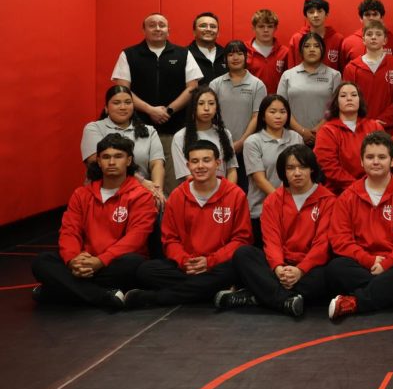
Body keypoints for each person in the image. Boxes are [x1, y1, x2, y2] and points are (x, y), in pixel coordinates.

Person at [32, 134, 156, 309]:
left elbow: (136, 238)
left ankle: (56, 291)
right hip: (84, 261)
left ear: (128, 161)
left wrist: (100, 261)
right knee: (42, 262)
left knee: (134, 264)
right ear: (98, 161)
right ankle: (103, 296)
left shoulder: (141, 195)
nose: (111, 162)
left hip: (115, 263)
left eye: (118, 156)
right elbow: (69, 231)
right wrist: (73, 260)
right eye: (106, 157)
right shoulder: (81, 194)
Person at [126, 140, 251, 307]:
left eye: (206, 160)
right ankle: (211, 290)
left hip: (218, 265)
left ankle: (157, 299)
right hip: (186, 266)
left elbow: (242, 239)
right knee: (146, 271)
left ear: (217, 163)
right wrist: (185, 262)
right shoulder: (177, 196)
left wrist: (210, 262)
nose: (200, 166)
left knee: (237, 269)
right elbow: (170, 240)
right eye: (194, 161)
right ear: (188, 165)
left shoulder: (235, 194)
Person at [223, 144, 336, 317]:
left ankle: (259, 296)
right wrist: (278, 268)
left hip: (309, 267)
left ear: (312, 169)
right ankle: (286, 300)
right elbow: (271, 240)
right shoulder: (273, 200)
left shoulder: (328, 200)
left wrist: (300, 270)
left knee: (333, 272)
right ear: (283, 172)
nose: (297, 173)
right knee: (243, 254)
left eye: (302, 167)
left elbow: (322, 245)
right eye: (290, 168)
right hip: (280, 266)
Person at [326, 132, 393, 320]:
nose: (375, 162)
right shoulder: (348, 196)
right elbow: (340, 240)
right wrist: (370, 261)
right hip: (362, 265)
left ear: (392, 161)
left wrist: (387, 263)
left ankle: (354, 303)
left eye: (382, 157)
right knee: (335, 268)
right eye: (370, 157)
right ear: (361, 161)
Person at [112, 12, 202, 178]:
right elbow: (123, 90)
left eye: (162, 25)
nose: (157, 28)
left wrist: (168, 111)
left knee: (172, 180)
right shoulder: (129, 54)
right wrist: (150, 110)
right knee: (138, 178)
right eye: (152, 25)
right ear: (144, 30)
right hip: (138, 129)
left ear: (168, 31)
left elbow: (192, 88)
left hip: (174, 129)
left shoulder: (183, 54)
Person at [80, 85, 166, 205]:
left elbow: (157, 164)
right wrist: (141, 182)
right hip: (103, 194)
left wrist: (157, 191)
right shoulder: (94, 128)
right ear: (106, 108)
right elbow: (97, 161)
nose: (123, 107)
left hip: (141, 194)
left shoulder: (149, 131)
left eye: (127, 102)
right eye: (116, 103)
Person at [242, 95, 304, 241]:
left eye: (283, 111)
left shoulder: (296, 138)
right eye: (272, 111)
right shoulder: (253, 142)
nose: (278, 116)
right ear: (263, 116)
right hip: (261, 210)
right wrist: (284, 202)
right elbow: (259, 180)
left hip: (295, 210)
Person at [313, 82, 384, 194]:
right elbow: (329, 168)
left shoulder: (375, 126)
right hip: (338, 193)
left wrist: (370, 186)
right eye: (343, 95)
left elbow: (384, 160)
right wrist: (359, 187)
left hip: (374, 189)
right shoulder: (326, 131)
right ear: (336, 102)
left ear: (360, 100)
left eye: (354, 95)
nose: (349, 98)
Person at [340, 18, 393, 132]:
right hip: (359, 128)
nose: (373, 37)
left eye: (378, 34)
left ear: (385, 40)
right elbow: (348, 100)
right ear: (363, 40)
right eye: (369, 34)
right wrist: (365, 123)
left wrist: (382, 121)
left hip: (388, 129)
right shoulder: (352, 68)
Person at [277, 32, 342, 145]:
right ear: (301, 50)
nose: (312, 49)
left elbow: (335, 108)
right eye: (307, 46)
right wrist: (301, 131)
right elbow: (281, 108)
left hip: (325, 136)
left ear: (323, 50)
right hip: (293, 138)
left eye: (316, 46)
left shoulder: (334, 75)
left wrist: (318, 129)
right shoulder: (288, 75)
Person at [170, 85, 238, 188]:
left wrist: (226, 193)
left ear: (216, 107)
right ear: (193, 107)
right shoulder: (180, 137)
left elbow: (231, 170)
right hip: (195, 193)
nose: (206, 108)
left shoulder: (224, 133)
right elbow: (187, 176)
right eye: (201, 104)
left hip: (223, 193)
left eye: (211, 103)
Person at [208, 40, 267, 156]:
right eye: (230, 55)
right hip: (219, 145)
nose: (235, 58)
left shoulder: (257, 85)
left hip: (249, 146)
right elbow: (211, 115)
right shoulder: (215, 84)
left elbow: (257, 117)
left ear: (246, 57)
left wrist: (242, 142)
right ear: (225, 59)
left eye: (239, 54)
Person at [287, 0, 343, 71]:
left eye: (319, 11)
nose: (316, 15)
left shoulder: (338, 39)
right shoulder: (296, 39)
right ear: (306, 16)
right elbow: (291, 70)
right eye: (311, 12)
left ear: (326, 14)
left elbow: (342, 70)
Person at [244, 8, 290, 95]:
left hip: (276, 103)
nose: (265, 30)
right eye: (261, 26)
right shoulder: (243, 50)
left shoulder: (284, 52)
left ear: (275, 28)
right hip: (250, 102)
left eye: (270, 26)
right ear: (253, 28)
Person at [341, 0, 393, 65]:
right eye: (367, 14)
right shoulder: (348, 43)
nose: (371, 18)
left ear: (381, 18)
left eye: (375, 14)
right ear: (361, 18)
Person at [187, 11, 226, 85]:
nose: (208, 29)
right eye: (203, 26)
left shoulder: (226, 54)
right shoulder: (184, 55)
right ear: (194, 32)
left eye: (213, 26)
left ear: (218, 33)